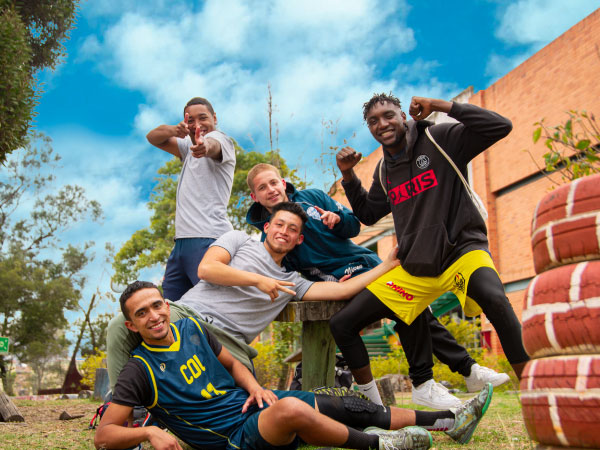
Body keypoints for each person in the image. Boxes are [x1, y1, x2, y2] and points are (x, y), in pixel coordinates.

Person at [94, 280, 493, 450]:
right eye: (142, 313)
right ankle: (380, 446)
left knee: (347, 403)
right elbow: (105, 435)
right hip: (231, 437)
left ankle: (447, 422)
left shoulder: (193, 328)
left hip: (252, 407)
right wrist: (148, 435)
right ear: (131, 324)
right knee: (291, 408)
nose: (154, 316)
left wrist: (252, 386)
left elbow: (232, 362)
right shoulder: (138, 370)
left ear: (167, 304)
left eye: (157, 305)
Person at [246, 163, 509, 408]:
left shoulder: (313, 197)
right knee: (408, 305)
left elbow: (354, 226)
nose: (270, 190)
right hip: (345, 284)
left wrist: (338, 221)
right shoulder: (272, 236)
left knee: (414, 307)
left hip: (370, 264)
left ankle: (452, 374)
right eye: (262, 188)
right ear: (254, 197)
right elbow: (294, 278)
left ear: (282, 182)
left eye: (273, 183)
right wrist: (329, 282)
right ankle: (452, 373)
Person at [332, 93, 530, 409]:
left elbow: (499, 126)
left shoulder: (439, 138)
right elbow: (369, 214)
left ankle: (534, 392)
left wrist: (441, 107)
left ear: (403, 115)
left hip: (462, 252)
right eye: (373, 121)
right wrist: (348, 175)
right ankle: (373, 407)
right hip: (416, 268)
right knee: (342, 324)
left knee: (495, 300)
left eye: (389, 115)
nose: (382, 124)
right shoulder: (384, 170)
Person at [106, 202, 399, 390]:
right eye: (280, 224)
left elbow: (342, 289)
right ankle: (121, 411)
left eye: (293, 229)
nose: (284, 231)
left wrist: (386, 265)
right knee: (119, 326)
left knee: (244, 404)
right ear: (268, 227)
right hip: (189, 315)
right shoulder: (238, 240)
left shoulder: (292, 282)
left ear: (299, 240)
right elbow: (207, 269)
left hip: (230, 343)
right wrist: (259, 280)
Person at [146, 97, 235, 301]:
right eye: (190, 120)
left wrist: (203, 147)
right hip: (181, 243)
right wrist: (173, 130)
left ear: (214, 117)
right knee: (172, 308)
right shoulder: (187, 148)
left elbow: (212, 146)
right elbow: (152, 137)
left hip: (208, 239)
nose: (197, 124)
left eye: (202, 118)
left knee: (211, 308)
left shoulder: (222, 140)